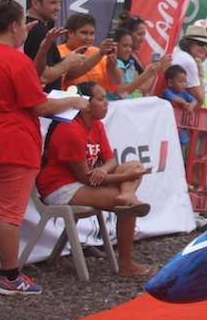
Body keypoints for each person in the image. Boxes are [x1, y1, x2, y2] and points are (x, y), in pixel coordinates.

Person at [0, 0, 90, 296]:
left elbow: (25, 83)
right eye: (23, 25)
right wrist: (75, 100)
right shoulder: (13, 59)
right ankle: (10, 276)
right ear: (14, 27)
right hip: (12, 145)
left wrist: (44, 48)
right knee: (8, 214)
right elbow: (39, 104)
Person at [36, 81, 155, 277]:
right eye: (101, 99)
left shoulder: (96, 125)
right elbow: (85, 178)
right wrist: (124, 176)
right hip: (60, 187)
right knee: (128, 206)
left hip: (83, 179)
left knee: (134, 164)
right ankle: (126, 265)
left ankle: (127, 194)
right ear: (84, 105)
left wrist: (105, 170)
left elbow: (110, 159)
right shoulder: (70, 130)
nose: (107, 103)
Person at [22, 0, 83, 91]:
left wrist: (65, 59)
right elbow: (43, 75)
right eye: (53, 3)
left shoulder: (26, 26)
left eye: (59, 2)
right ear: (35, 3)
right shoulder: (40, 32)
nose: (58, 8)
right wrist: (69, 62)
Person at [56, 13, 118, 92]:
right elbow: (70, 74)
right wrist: (100, 54)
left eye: (92, 33)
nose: (89, 38)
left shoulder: (96, 51)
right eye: (84, 33)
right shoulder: (58, 52)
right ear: (70, 33)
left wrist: (111, 67)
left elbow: (116, 82)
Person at [109, 28, 169, 100]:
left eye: (130, 46)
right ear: (114, 46)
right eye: (125, 46)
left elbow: (139, 91)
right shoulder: (117, 64)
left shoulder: (126, 65)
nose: (129, 50)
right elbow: (122, 94)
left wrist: (153, 72)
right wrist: (146, 74)